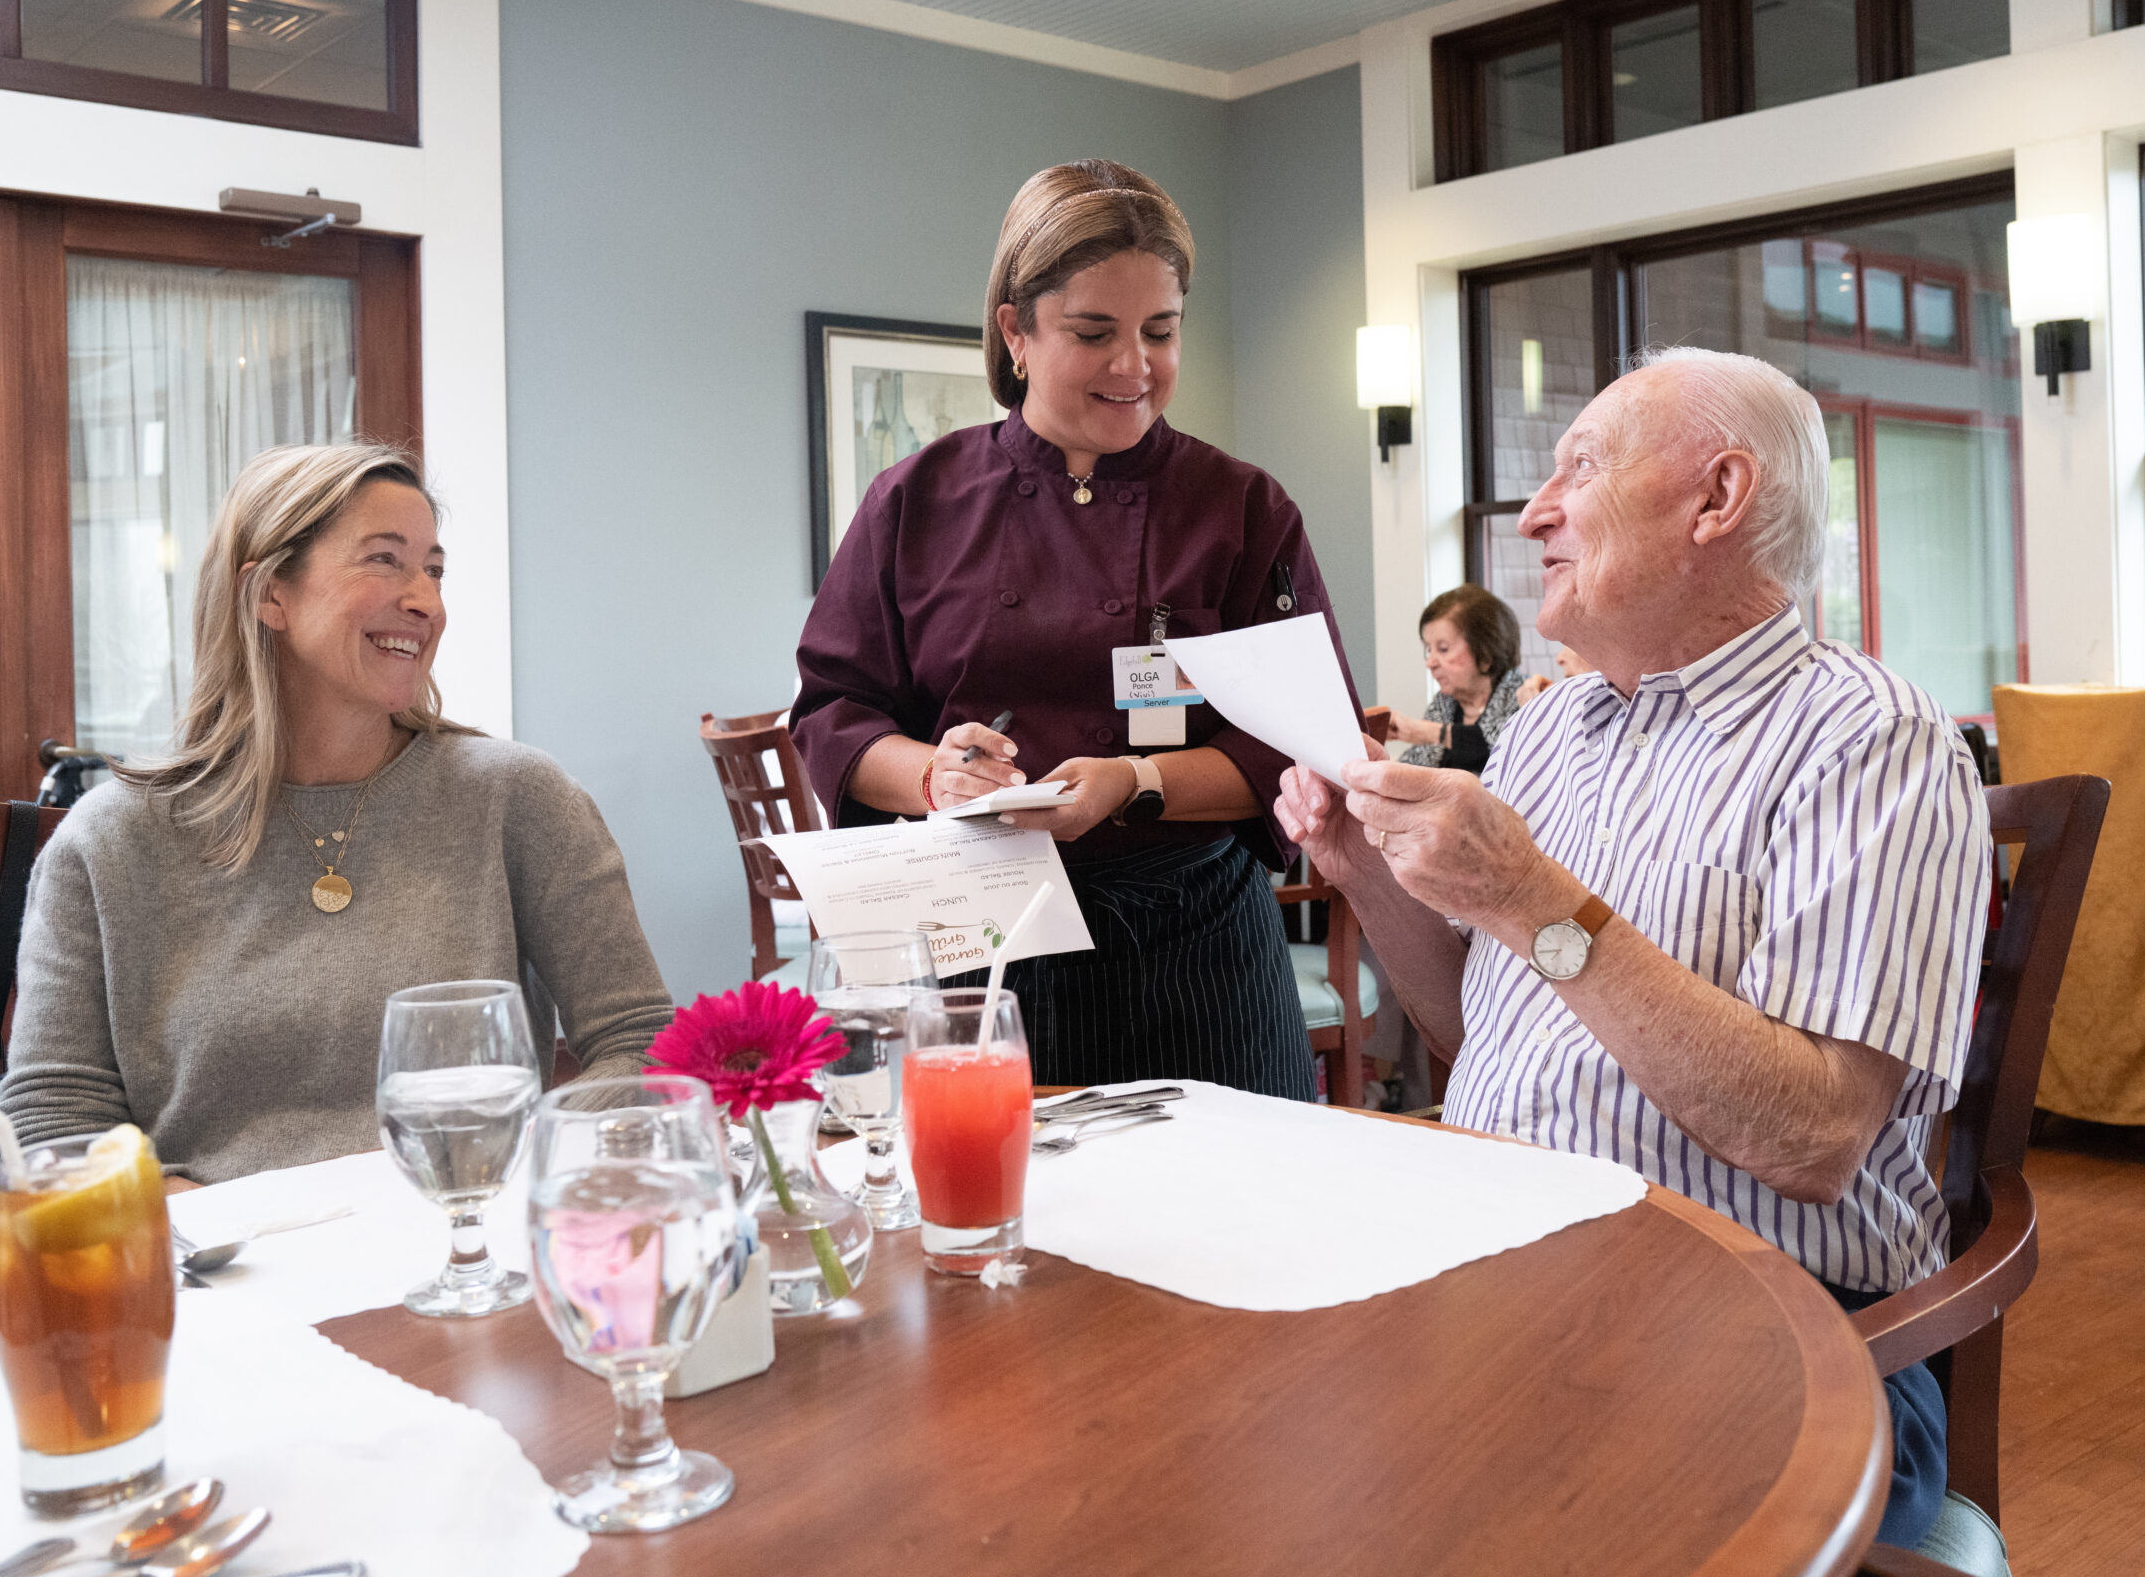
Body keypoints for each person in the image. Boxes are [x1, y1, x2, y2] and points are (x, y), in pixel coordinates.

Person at [1274, 347, 1988, 1550]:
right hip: (1505, 1285)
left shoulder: (1870, 740)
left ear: (1717, 498)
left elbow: (1811, 1138)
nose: (1534, 512)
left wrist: (1534, 898)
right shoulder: (1550, 732)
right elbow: (1480, 1027)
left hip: (1775, 1334)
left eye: (1579, 468)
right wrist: (1361, 871)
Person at [792, 159, 1358, 1102]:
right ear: (1016, 330)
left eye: (1160, 331)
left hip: (1196, 947)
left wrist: (1133, 783)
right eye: (1094, 332)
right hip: (980, 945)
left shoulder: (1243, 506)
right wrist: (935, 773)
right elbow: (835, 710)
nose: (1134, 365)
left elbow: (1298, 742)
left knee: (1236, 1220)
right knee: (1005, 1220)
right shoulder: (917, 499)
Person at [2, 442, 673, 1183]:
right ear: (269, 596)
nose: (427, 601)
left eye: (434, 569)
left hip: (468, 1237)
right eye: (385, 560)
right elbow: (55, 1115)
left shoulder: (517, 798)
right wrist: (171, 1215)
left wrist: (529, 1163)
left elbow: (642, 1039)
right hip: (220, 1270)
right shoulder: (110, 841)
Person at [1391, 584, 1530, 773]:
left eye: (1443, 649)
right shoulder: (1444, 703)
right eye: (1428, 649)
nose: (1430, 662)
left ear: (1486, 653)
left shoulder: (1525, 697)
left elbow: (1497, 751)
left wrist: (1426, 732)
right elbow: (1414, 768)